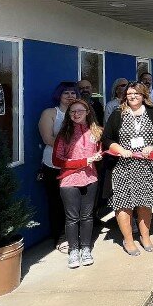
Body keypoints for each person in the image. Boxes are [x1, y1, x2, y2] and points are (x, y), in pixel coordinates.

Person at [102, 82, 153, 256]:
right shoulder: (118, 113)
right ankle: (128, 240)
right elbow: (107, 138)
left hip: (146, 167)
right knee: (124, 204)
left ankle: (145, 236)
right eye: (130, 93)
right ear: (125, 96)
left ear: (143, 95)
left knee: (144, 204)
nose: (133, 96)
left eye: (137, 94)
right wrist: (121, 150)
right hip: (122, 167)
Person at [52, 99, 103, 268]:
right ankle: (73, 250)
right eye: (72, 111)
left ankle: (86, 248)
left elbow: (99, 151)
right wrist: (83, 161)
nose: (76, 114)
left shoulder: (95, 132)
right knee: (72, 218)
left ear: (87, 112)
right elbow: (57, 160)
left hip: (90, 178)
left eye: (80, 111)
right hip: (69, 179)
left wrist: (98, 156)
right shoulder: (63, 134)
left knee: (87, 216)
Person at [39, 81, 80, 253]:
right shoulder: (50, 113)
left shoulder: (80, 113)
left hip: (77, 164)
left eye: (73, 93)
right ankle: (60, 237)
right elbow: (47, 138)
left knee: (74, 202)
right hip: (54, 164)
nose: (70, 96)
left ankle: (75, 234)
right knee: (56, 202)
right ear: (59, 95)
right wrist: (73, 147)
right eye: (66, 93)